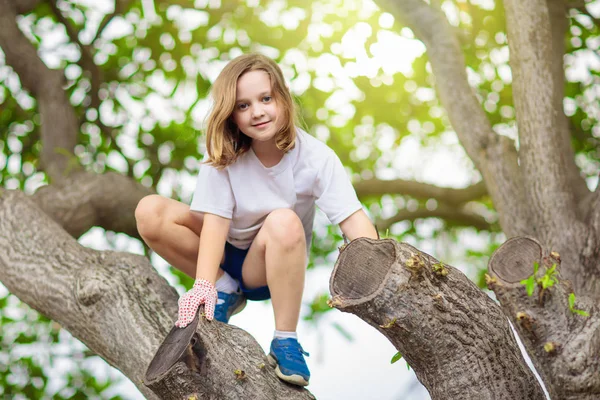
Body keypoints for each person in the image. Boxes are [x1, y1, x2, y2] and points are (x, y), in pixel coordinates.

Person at [135, 53, 378, 387]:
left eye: (265, 98)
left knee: (283, 220)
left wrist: (379, 271)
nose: (258, 112)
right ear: (231, 115)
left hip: (266, 265)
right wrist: (205, 283)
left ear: (283, 97)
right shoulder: (223, 155)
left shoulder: (316, 158)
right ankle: (223, 290)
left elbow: (354, 221)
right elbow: (215, 222)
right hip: (221, 250)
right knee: (150, 211)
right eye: (243, 105)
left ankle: (285, 339)